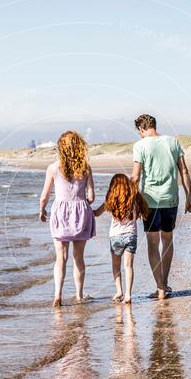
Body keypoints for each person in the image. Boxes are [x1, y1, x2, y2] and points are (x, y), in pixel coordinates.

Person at [130, 114, 191, 299]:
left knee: (152, 244)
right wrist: (189, 197)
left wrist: (130, 200)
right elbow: (184, 170)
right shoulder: (173, 142)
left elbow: (135, 177)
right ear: (153, 125)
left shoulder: (140, 146)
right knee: (168, 240)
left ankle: (159, 287)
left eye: (139, 132)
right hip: (171, 199)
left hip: (150, 201)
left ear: (142, 129)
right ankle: (165, 284)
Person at [39, 130, 96, 307]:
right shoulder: (86, 167)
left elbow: (45, 195)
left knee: (60, 258)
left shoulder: (53, 168)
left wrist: (42, 210)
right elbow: (92, 196)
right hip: (81, 212)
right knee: (78, 258)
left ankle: (58, 295)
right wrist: (81, 203)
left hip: (61, 214)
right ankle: (79, 295)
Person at [94, 174, 149, 303]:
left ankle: (119, 291)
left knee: (116, 265)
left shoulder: (111, 200)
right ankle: (128, 295)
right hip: (131, 235)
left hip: (115, 236)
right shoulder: (135, 198)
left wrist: (85, 209)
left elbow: (96, 213)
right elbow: (145, 213)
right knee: (128, 266)